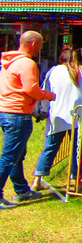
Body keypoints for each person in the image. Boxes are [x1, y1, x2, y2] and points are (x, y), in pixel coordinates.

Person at [0, 31, 56, 210]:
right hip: (18, 114)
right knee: (10, 157)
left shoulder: (9, 62)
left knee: (16, 156)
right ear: (33, 44)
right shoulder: (27, 63)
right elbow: (31, 89)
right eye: (40, 45)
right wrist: (49, 95)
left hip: (6, 111)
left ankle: (22, 190)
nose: (40, 48)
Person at [31, 47, 82, 191]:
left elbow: (45, 90)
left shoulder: (53, 71)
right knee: (78, 149)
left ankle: (37, 179)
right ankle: (77, 180)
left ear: (61, 58)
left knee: (50, 148)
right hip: (78, 115)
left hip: (58, 115)